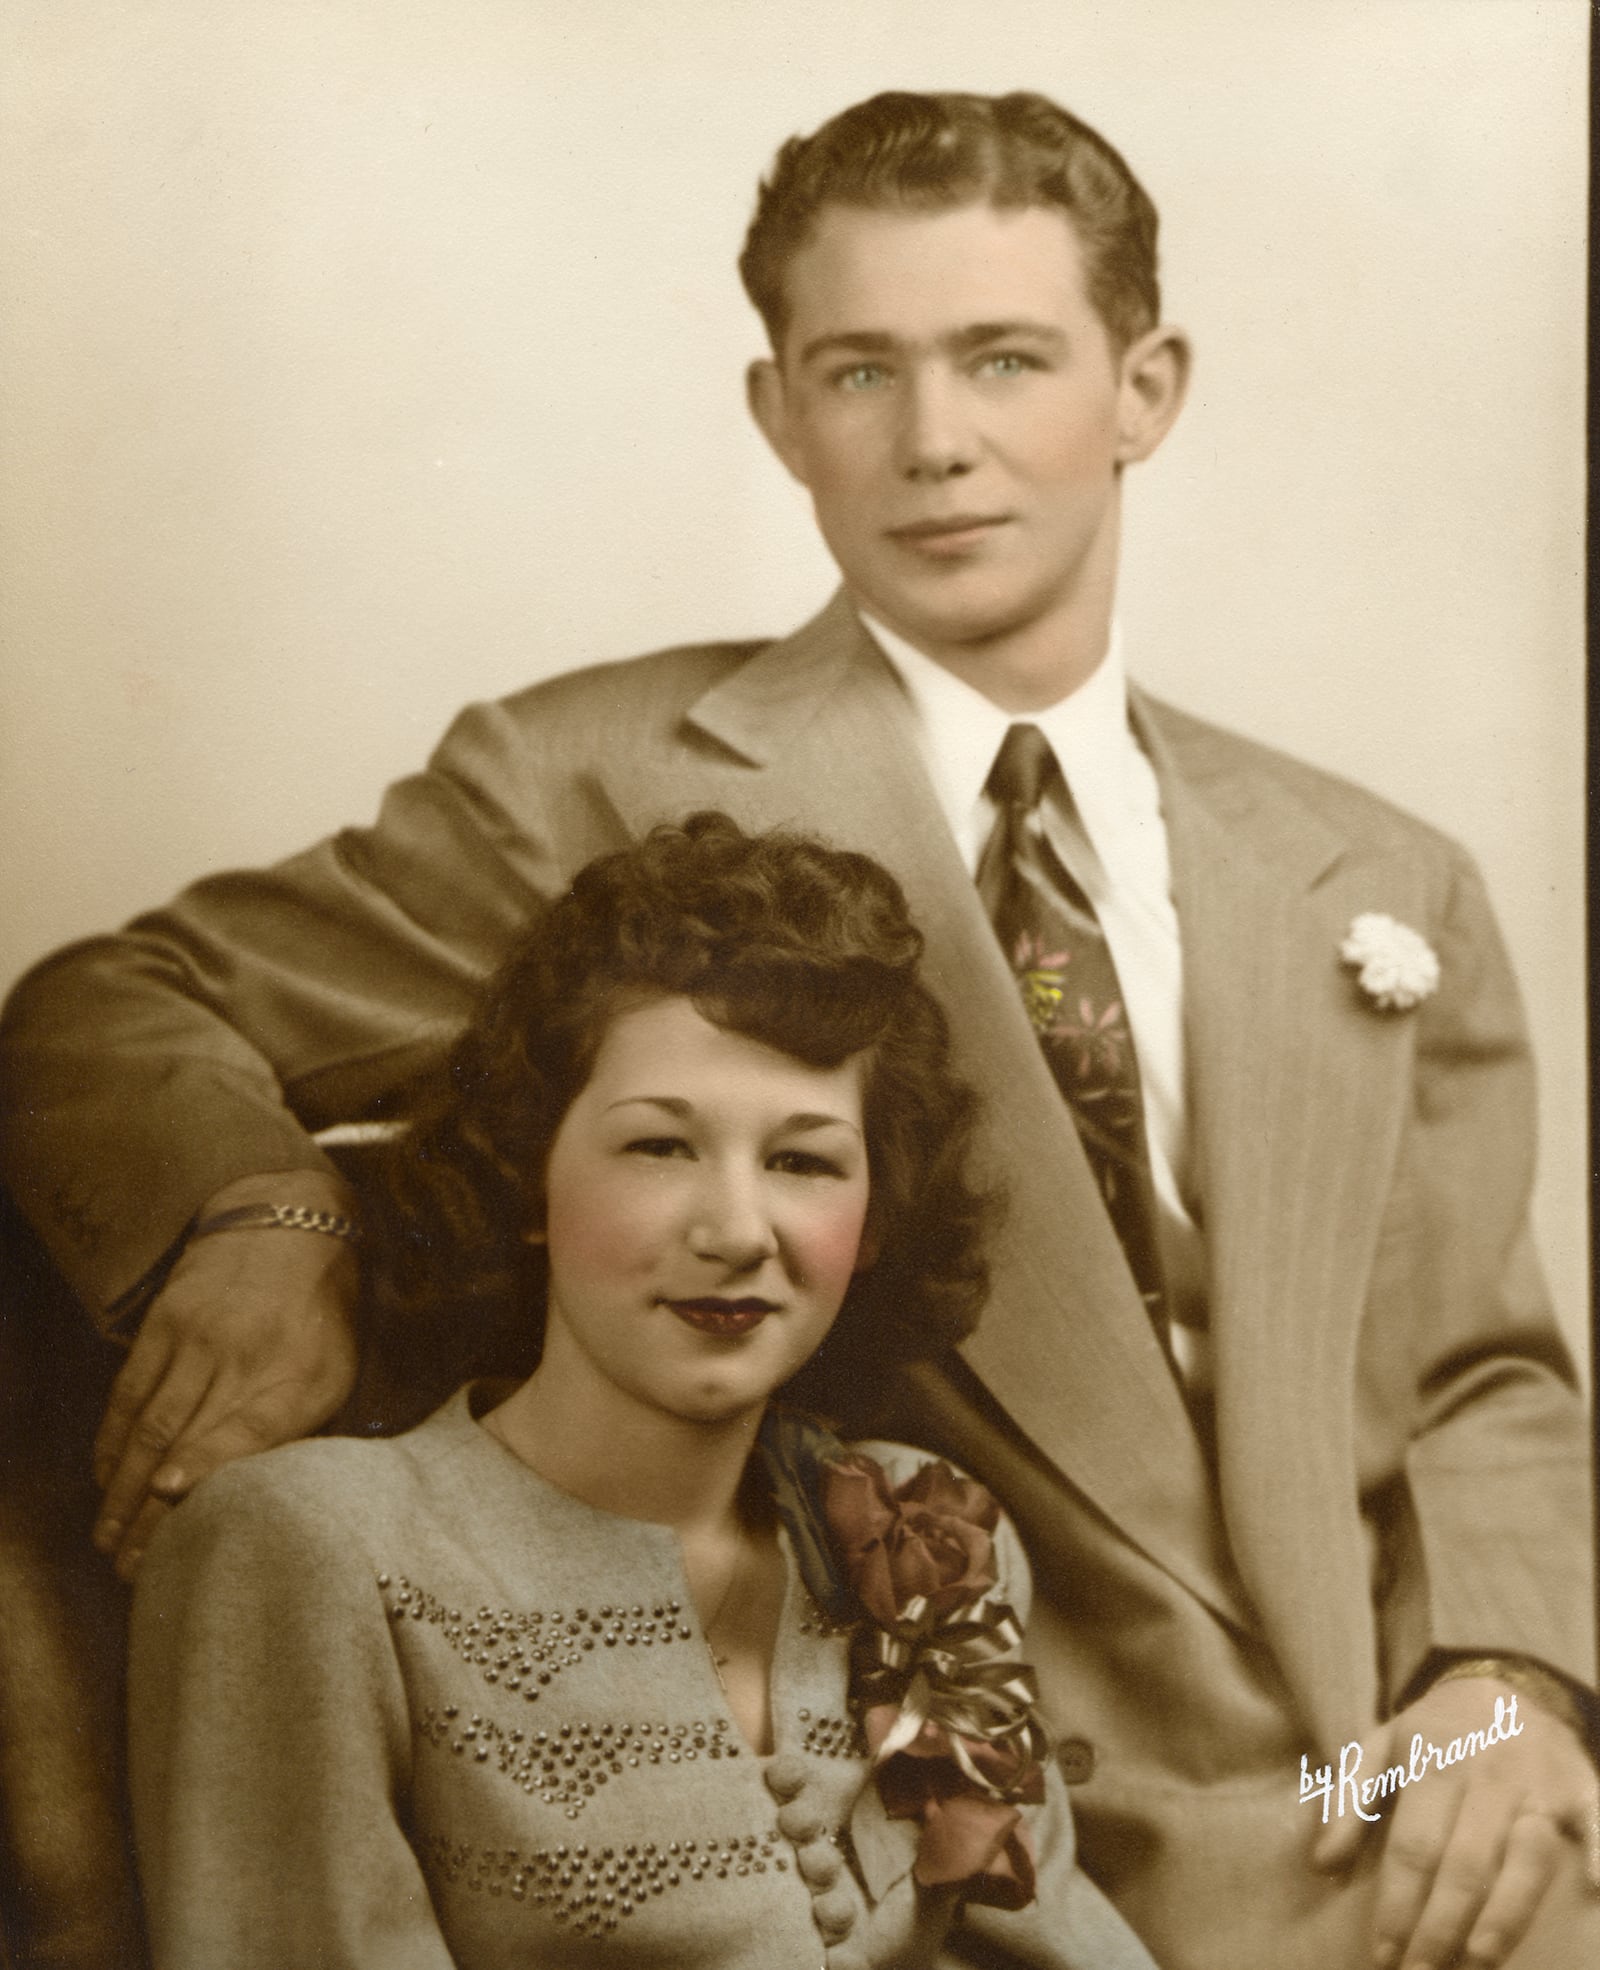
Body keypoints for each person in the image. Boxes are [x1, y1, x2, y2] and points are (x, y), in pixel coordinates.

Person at [0, 88, 1593, 1970]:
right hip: (976, 1808)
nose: (936, 445)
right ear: (779, 413)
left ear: (1144, 387)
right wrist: (272, 1217)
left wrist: (1510, 1694)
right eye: (860, 373)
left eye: (1007, 360)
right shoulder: (592, 783)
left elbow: (1485, 1378)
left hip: (1360, 1785)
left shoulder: (1372, 872)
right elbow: (105, 1005)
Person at [127, 811, 1157, 1970]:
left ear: (870, 1222)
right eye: (659, 1147)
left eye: (804, 1160)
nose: (734, 1231)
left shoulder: (931, 1525)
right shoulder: (313, 1544)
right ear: (530, 1182)